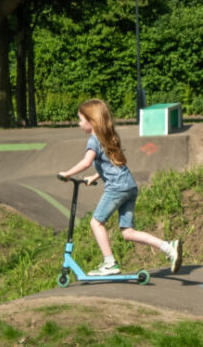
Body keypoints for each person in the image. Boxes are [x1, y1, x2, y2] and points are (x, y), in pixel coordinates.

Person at [58, 98, 182, 276]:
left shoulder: (93, 141)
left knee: (96, 222)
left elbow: (86, 162)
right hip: (129, 186)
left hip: (116, 188)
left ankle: (109, 263)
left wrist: (67, 174)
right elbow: (111, 164)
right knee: (128, 232)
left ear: (91, 121)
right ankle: (169, 248)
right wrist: (94, 177)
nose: (79, 124)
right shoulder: (108, 137)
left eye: (81, 120)